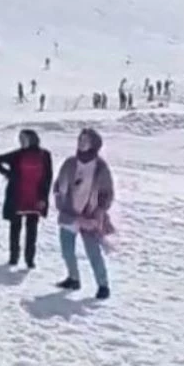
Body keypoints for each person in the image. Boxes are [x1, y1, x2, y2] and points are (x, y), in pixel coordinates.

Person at [53, 128, 114, 299]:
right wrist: (61, 204)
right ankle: (73, 278)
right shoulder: (69, 163)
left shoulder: (100, 167)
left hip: (90, 217)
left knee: (93, 253)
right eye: (80, 139)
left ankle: (103, 286)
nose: (81, 143)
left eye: (85, 140)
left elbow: (107, 193)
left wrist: (99, 212)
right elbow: (58, 187)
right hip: (69, 214)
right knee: (67, 250)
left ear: (94, 144)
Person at [0, 129, 53, 268]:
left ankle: (30, 259)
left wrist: (44, 198)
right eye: (20, 139)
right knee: (15, 228)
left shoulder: (44, 155)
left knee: (32, 229)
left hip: (36, 196)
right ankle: (14, 257)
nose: (21, 142)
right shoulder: (17, 154)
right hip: (17, 196)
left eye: (24, 139)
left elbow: (48, 178)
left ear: (32, 139)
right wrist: (8, 173)